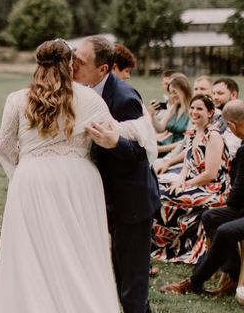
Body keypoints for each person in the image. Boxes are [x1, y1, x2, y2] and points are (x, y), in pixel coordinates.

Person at [0, 39, 156, 313]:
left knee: (33, 253)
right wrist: (142, 126)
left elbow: (3, 146)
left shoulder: (17, 99)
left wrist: (27, 168)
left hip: (31, 181)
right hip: (77, 180)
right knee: (79, 252)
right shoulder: (89, 99)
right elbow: (112, 131)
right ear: (69, 64)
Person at [73, 36, 160, 313]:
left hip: (131, 202)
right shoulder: (82, 90)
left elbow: (142, 150)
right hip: (105, 199)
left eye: (81, 62)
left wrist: (115, 142)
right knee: (115, 278)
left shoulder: (124, 98)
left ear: (103, 69)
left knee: (132, 287)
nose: (73, 65)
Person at [161, 99, 244, 298]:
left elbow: (235, 194)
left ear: (231, 125)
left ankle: (194, 281)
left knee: (224, 229)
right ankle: (234, 274)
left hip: (232, 199)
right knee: (210, 217)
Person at [151, 94, 230, 264]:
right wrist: (180, 179)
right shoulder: (193, 131)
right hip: (195, 180)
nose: (194, 112)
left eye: (199, 109)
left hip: (214, 187)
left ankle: (178, 246)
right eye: (192, 108)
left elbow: (211, 174)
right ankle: (158, 243)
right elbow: (188, 162)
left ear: (210, 113)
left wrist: (185, 184)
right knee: (155, 188)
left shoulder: (213, 136)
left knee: (167, 197)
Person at [149, 75, 192, 156]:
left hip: (177, 149)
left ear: (184, 90)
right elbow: (160, 129)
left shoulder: (192, 110)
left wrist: (160, 149)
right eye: (171, 93)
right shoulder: (174, 107)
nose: (172, 96)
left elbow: (186, 141)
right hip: (165, 144)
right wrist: (152, 115)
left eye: (175, 92)